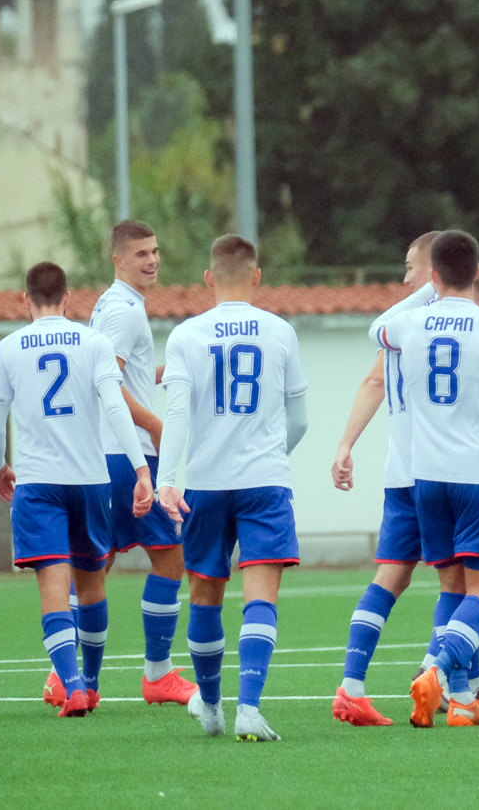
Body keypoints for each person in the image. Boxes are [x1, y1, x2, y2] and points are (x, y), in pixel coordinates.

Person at [331, 240, 479, 726]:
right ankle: (441, 671)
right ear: (477, 270)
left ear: (432, 272)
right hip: (475, 473)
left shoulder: (408, 323)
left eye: (413, 269)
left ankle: (464, 699)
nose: (407, 277)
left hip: (422, 474)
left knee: (449, 583)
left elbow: (377, 333)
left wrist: (345, 444)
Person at [0, 261, 156, 717]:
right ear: (69, 298)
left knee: (54, 590)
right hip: (90, 480)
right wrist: (141, 469)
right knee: (92, 582)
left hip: (39, 484)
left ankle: (72, 683)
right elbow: (116, 407)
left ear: (26, 300)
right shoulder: (94, 342)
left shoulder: (7, 348)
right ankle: (93, 683)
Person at [158, 235, 309, 741]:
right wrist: (268, 457)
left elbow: (177, 412)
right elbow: (301, 420)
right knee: (260, 595)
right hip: (264, 482)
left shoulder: (186, 336)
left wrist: (166, 478)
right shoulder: (280, 332)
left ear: (208, 278)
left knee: (204, 591)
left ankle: (213, 708)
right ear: (257, 276)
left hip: (205, 483)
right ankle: (249, 707)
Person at [61, 219, 196, 708]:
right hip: (128, 452)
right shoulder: (125, 313)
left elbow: (124, 375)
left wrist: (163, 373)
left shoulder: (111, 305)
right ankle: (157, 674)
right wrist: (157, 428)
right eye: (141, 254)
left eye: (156, 251)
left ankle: (67, 676)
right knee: (170, 556)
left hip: (104, 453)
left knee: (98, 562)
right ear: (118, 260)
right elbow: (108, 386)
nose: (153, 260)